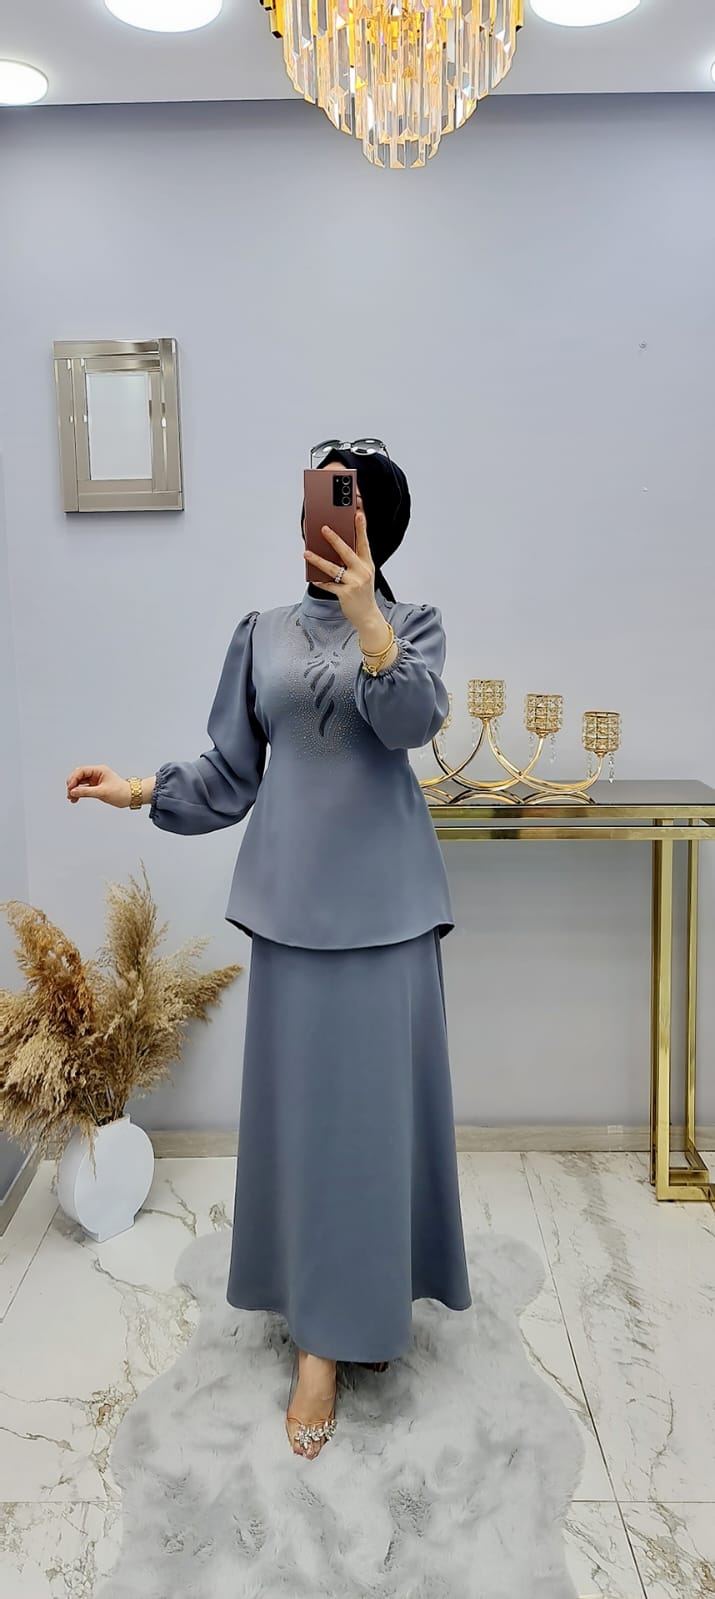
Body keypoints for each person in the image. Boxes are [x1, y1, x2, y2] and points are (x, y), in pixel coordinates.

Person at [66, 437, 472, 1461]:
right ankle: (318, 1343)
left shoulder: (414, 628)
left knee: (375, 1125)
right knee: (310, 1128)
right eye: (313, 507)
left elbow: (409, 722)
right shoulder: (261, 634)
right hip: (293, 915)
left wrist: (371, 618)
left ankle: (375, 1300)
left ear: (376, 526)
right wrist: (138, 790)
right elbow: (232, 770)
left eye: (344, 509)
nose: (317, 528)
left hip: (388, 916)